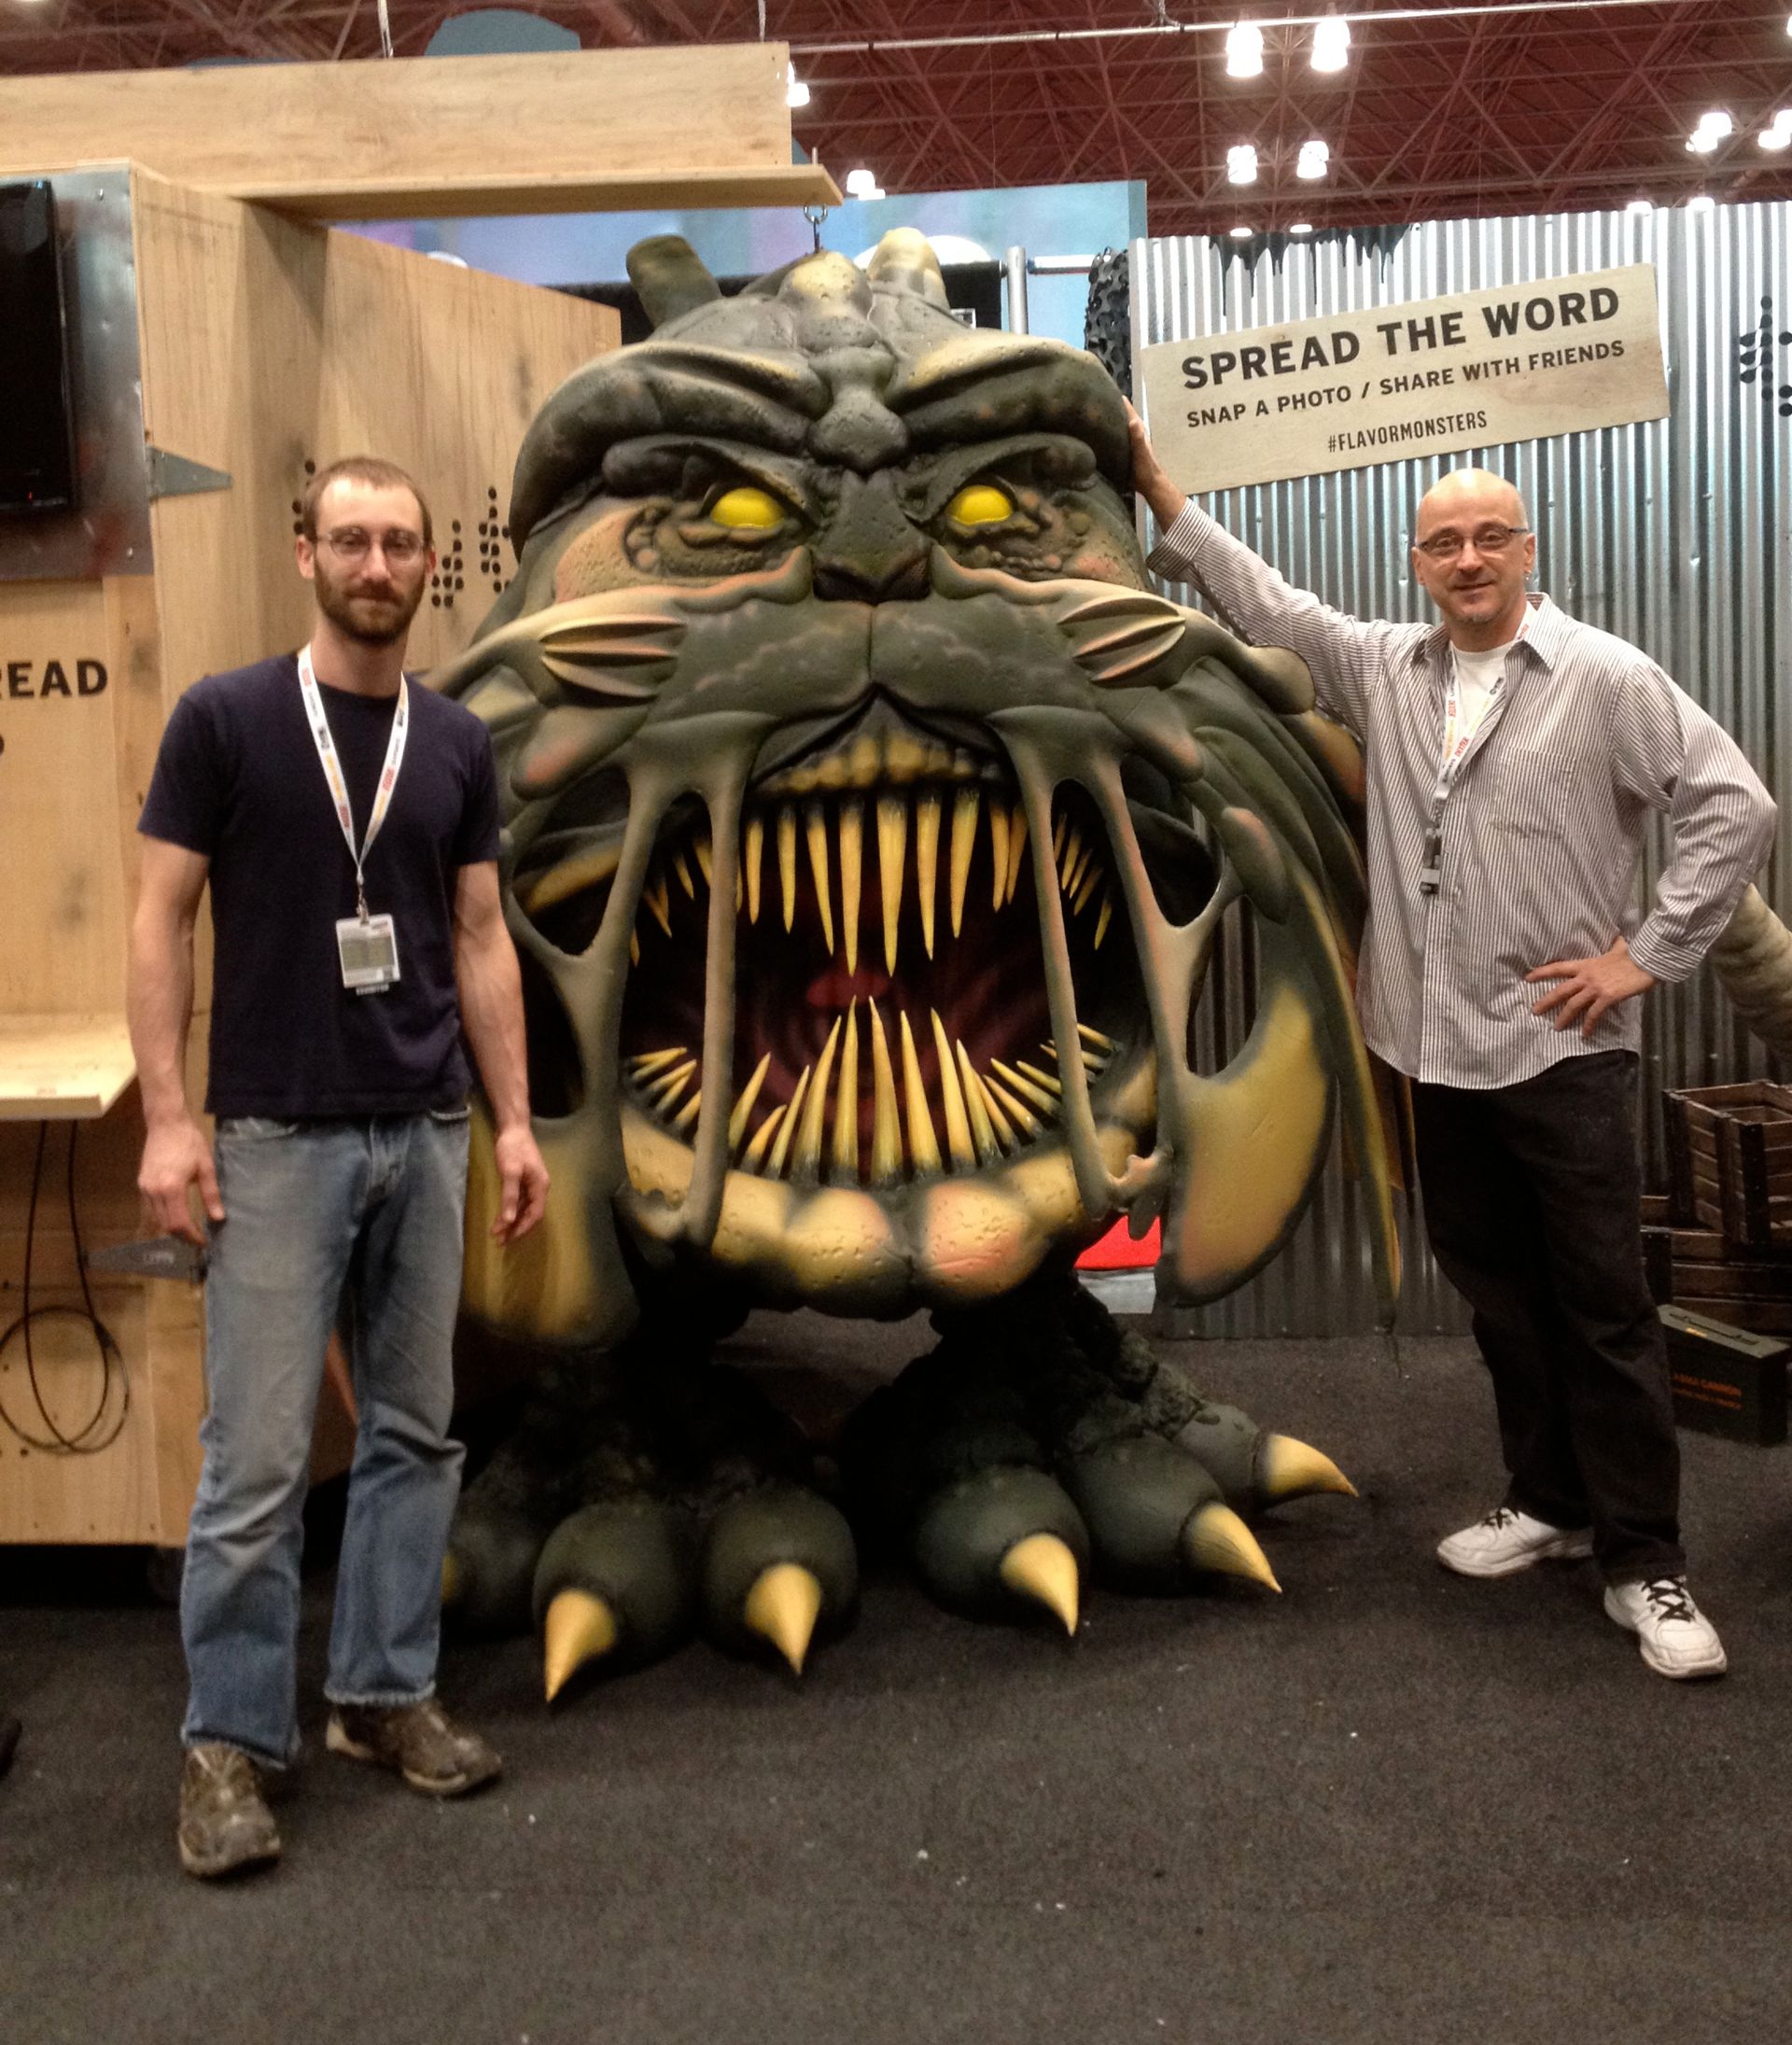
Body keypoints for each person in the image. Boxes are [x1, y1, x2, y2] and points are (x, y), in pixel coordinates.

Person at [1127, 404, 1774, 1682]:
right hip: (1431, 1052)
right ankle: (1549, 1503)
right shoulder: (1387, 668)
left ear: (1529, 551)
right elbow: (1267, 603)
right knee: (1497, 1301)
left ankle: (1646, 1562)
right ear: (1417, 562)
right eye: (1444, 544)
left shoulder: (1604, 678)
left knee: (1603, 1313)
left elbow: (1733, 806)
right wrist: (1156, 487)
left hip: (1560, 1053)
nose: (1468, 560)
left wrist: (1643, 958)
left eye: (1490, 539)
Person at [130, 455, 551, 1878]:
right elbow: (157, 918)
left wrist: (514, 1119)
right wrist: (169, 1120)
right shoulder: (228, 721)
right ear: (302, 550)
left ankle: (382, 1695)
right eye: (352, 540)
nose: (378, 565)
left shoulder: (455, 744)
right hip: (275, 1134)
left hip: (425, 1127)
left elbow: (482, 935)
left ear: (430, 565)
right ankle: (231, 1747)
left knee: (416, 1436)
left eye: (402, 545)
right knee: (254, 1465)